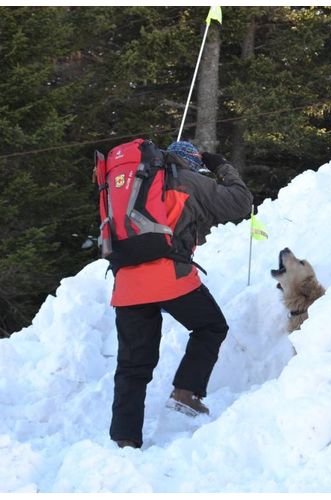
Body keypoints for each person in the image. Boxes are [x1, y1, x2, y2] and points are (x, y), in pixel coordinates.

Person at [108, 140, 253, 449]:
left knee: (132, 365)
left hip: (127, 283)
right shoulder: (189, 180)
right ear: (191, 162)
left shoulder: (134, 183)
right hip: (169, 275)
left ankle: (125, 439)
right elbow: (241, 202)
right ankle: (186, 393)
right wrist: (220, 165)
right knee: (211, 326)